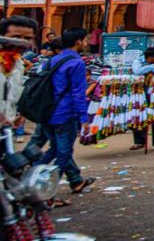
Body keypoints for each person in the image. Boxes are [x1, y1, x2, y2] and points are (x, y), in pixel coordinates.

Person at [40, 28, 97, 194]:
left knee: (55, 149)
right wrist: (84, 119)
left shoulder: (52, 60)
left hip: (46, 111)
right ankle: (45, 187)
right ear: (78, 41)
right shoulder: (76, 62)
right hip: (64, 112)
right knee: (63, 153)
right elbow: (78, 93)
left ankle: (74, 180)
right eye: (85, 39)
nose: (86, 43)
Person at [0, 16, 36, 144]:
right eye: (16, 37)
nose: (21, 42)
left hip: (5, 130)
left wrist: (16, 115)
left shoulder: (18, 63)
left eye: (27, 38)